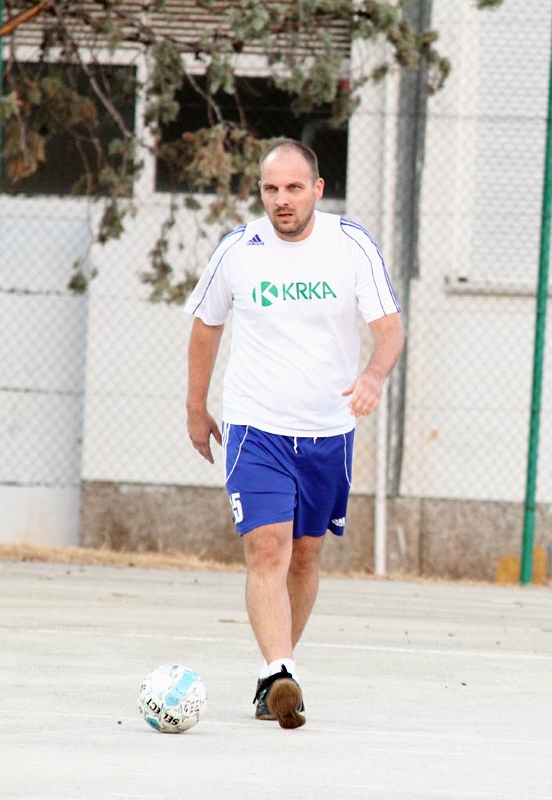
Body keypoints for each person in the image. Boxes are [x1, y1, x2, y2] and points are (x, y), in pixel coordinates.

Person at [183, 139, 404, 729]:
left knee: (305, 557)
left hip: (328, 434)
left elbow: (389, 328)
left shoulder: (350, 245)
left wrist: (374, 374)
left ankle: (273, 675)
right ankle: (279, 671)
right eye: (270, 189)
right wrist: (195, 407)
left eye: (293, 188)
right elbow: (206, 326)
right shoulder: (238, 251)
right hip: (257, 428)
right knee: (268, 548)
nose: (281, 200)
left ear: (317, 189)